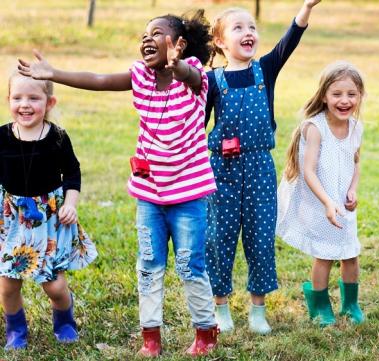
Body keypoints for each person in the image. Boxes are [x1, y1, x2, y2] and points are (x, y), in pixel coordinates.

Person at [18, 10, 219, 357]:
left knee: (190, 265)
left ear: (179, 44)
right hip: (150, 197)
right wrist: (55, 74)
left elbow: (188, 75)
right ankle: (150, 336)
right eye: (144, 33)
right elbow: (98, 78)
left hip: (189, 197)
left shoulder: (195, 78)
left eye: (156, 33)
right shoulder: (140, 75)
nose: (146, 38)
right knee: (148, 264)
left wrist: (178, 66)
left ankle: (205, 331)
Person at [204, 0, 321, 334]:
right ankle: (220, 307)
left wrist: (306, 7)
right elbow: (197, 125)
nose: (248, 32)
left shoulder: (265, 70)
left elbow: (290, 39)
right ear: (221, 43)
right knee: (218, 237)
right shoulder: (212, 81)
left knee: (260, 236)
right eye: (238, 28)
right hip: (221, 170)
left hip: (258, 167)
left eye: (252, 27)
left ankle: (257, 310)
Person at [0, 71, 97, 350]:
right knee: (7, 285)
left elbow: (72, 173)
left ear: (50, 102)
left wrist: (70, 203)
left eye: (34, 97)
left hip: (49, 219)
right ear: (8, 100)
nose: (25, 104)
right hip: (12, 220)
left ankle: (65, 321)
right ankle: (16, 330)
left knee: (54, 286)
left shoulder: (57, 137)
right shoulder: (2, 137)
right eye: (17, 97)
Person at [277, 61, 365, 327]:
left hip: (342, 202)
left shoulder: (356, 127)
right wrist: (327, 201)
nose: (344, 100)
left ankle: (350, 304)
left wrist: (352, 190)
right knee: (325, 254)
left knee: (350, 253)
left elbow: (356, 161)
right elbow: (309, 171)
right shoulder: (315, 128)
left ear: (360, 96)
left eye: (351, 94)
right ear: (324, 96)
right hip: (318, 201)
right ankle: (319, 304)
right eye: (337, 94)